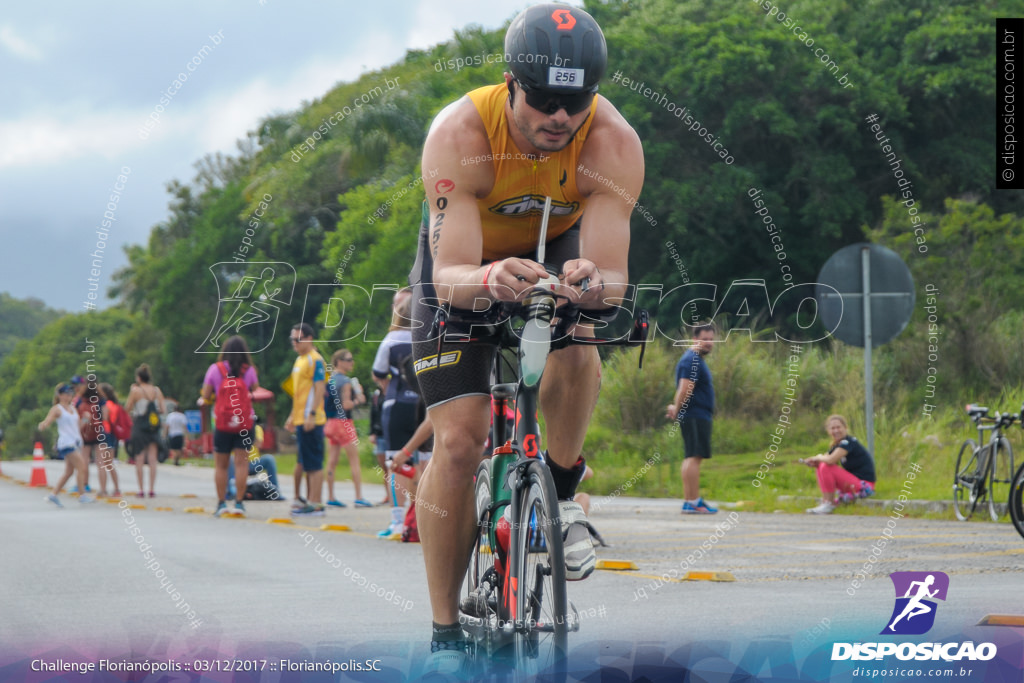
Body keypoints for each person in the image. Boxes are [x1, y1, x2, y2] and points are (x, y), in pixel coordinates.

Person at [407, 3, 644, 669]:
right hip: (466, 266)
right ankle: (445, 630)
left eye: (575, 102)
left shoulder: (612, 144)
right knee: (459, 441)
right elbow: (450, 273)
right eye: (542, 101)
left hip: (556, 249)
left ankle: (561, 500)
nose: (559, 118)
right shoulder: (459, 134)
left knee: (582, 338)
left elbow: (614, 279)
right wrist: (487, 275)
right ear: (510, 83)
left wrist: (589, 281)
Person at [374, 288, 421, 537]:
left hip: (397, 404)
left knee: (396, 463)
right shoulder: (427, 335)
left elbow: (378, 374)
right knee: (423, 462)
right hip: (423, 405)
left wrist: (389, 388)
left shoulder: (390, 340)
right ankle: (420, 517)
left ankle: (397, 521)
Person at [200, 335, 260, 517]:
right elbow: (255, 389)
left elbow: (206, 394)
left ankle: (221, 503)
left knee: (221, 466)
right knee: (242, 464)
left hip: (222, 423)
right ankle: (239, 503)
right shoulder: (248, 370)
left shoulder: (215, 369)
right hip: (243, 423)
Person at [665, 323, 717, 514]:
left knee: (691, 456)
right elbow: (686, 387)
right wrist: (677, 408)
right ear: (695, 339)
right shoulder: (692, 360)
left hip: (696, 414)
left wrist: (675, 407)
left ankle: (691, 501)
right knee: (694, 457)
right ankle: (693, 501)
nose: (709, 343)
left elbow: (682, 388)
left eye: (711, 339)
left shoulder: (692, 359)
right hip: (695, 414)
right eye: (705, 339)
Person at [285, 323, 328, 516]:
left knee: (314, 463)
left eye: (298, 339)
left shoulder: (315, 360)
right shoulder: (299, 360)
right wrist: (292, 416)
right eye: (292, 339)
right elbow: (299, 394)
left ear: (309, 338)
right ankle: (310, 500)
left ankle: (316, 503)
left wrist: (311, 414)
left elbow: (319, 388)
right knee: (306, 462)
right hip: (301, 419)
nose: (294, 343)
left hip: (312, 419)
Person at [801, 414, 876, 515]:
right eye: (832, 428)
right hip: (854, 482)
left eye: (838, 427)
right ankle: (825, 502)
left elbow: (830, 460)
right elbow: (825, 460)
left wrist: (818, 457)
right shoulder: (837, 445)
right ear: (828, 431)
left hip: (864, 485)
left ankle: (829, 503)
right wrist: (814, 462)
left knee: (826, 465)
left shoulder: (848, 442)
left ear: (845, 428)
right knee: (821, 466)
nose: (836, 431)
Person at [324, 349, 370, 507]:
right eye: (349, 360)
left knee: (331, 461)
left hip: (330, 423)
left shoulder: (329, 380)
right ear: (339, 362)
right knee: (354, 460)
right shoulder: (345, 381)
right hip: (344, 423)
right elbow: (347, 404)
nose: (352, 362)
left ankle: (330, 497)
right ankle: (358, 497)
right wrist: (359, 399)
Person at [39, 383, 94, 506]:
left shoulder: (73, 409)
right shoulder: (57, 409)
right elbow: (48, 420)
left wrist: (85, 419)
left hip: (75, 441)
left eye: (70, 394)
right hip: (66, 443)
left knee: (69, 471)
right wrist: (43, 425)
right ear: (60, 395)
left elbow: (78, 426)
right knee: (81, 467)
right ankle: (82, 495)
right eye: (65, 394)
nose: (68, 396)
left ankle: (53, 494)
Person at [125, 363, 166, 498]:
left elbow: (127, 407)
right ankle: (152, 489)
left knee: (139, 458)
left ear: (138, 378)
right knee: (153, 459)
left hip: (139, 426)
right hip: (153, 427)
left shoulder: (136, 391)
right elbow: (163, 409)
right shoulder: (156, 390)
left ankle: (141, 489)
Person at [78, 381, 118, 498]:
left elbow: (78, 416)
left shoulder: (81, 400)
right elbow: (106, 417)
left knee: (84, 460)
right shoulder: (101, 400)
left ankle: (84, 485)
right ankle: (103, 490)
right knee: (101, 463)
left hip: (86, 432)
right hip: (99, 432)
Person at [164, 401, 188, 466]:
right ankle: (176, 460)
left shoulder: (170, 416)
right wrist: (186, 435)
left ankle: (175, 459)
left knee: (173, 448)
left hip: (172, 434)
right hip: (180, 434)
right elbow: (184, 426)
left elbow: (167, 426)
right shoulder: (182, 416)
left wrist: (165, 434)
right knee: (179, 448)